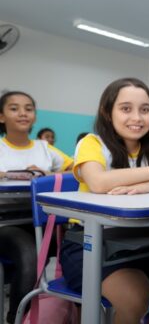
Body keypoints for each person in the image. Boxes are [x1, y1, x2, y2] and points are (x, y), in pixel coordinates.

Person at [59, 78, 149, 324]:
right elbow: (99, 182)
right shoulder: (93, 143)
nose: (137, 117)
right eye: (125, 108)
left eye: (145, 109)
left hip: (145, 244)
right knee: (138, 301)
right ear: (107, 113)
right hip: (91, 245)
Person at [0, 91, 73, 323]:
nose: (23, 113)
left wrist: (48, 174)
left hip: (44, 223)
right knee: (28, 252)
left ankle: (69, 311)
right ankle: (16, 318)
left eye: (28, 108)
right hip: (5, 224)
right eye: (14, 108)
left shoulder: (45, 148)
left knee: (80, 245)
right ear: (1, 116)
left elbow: (77, 172)